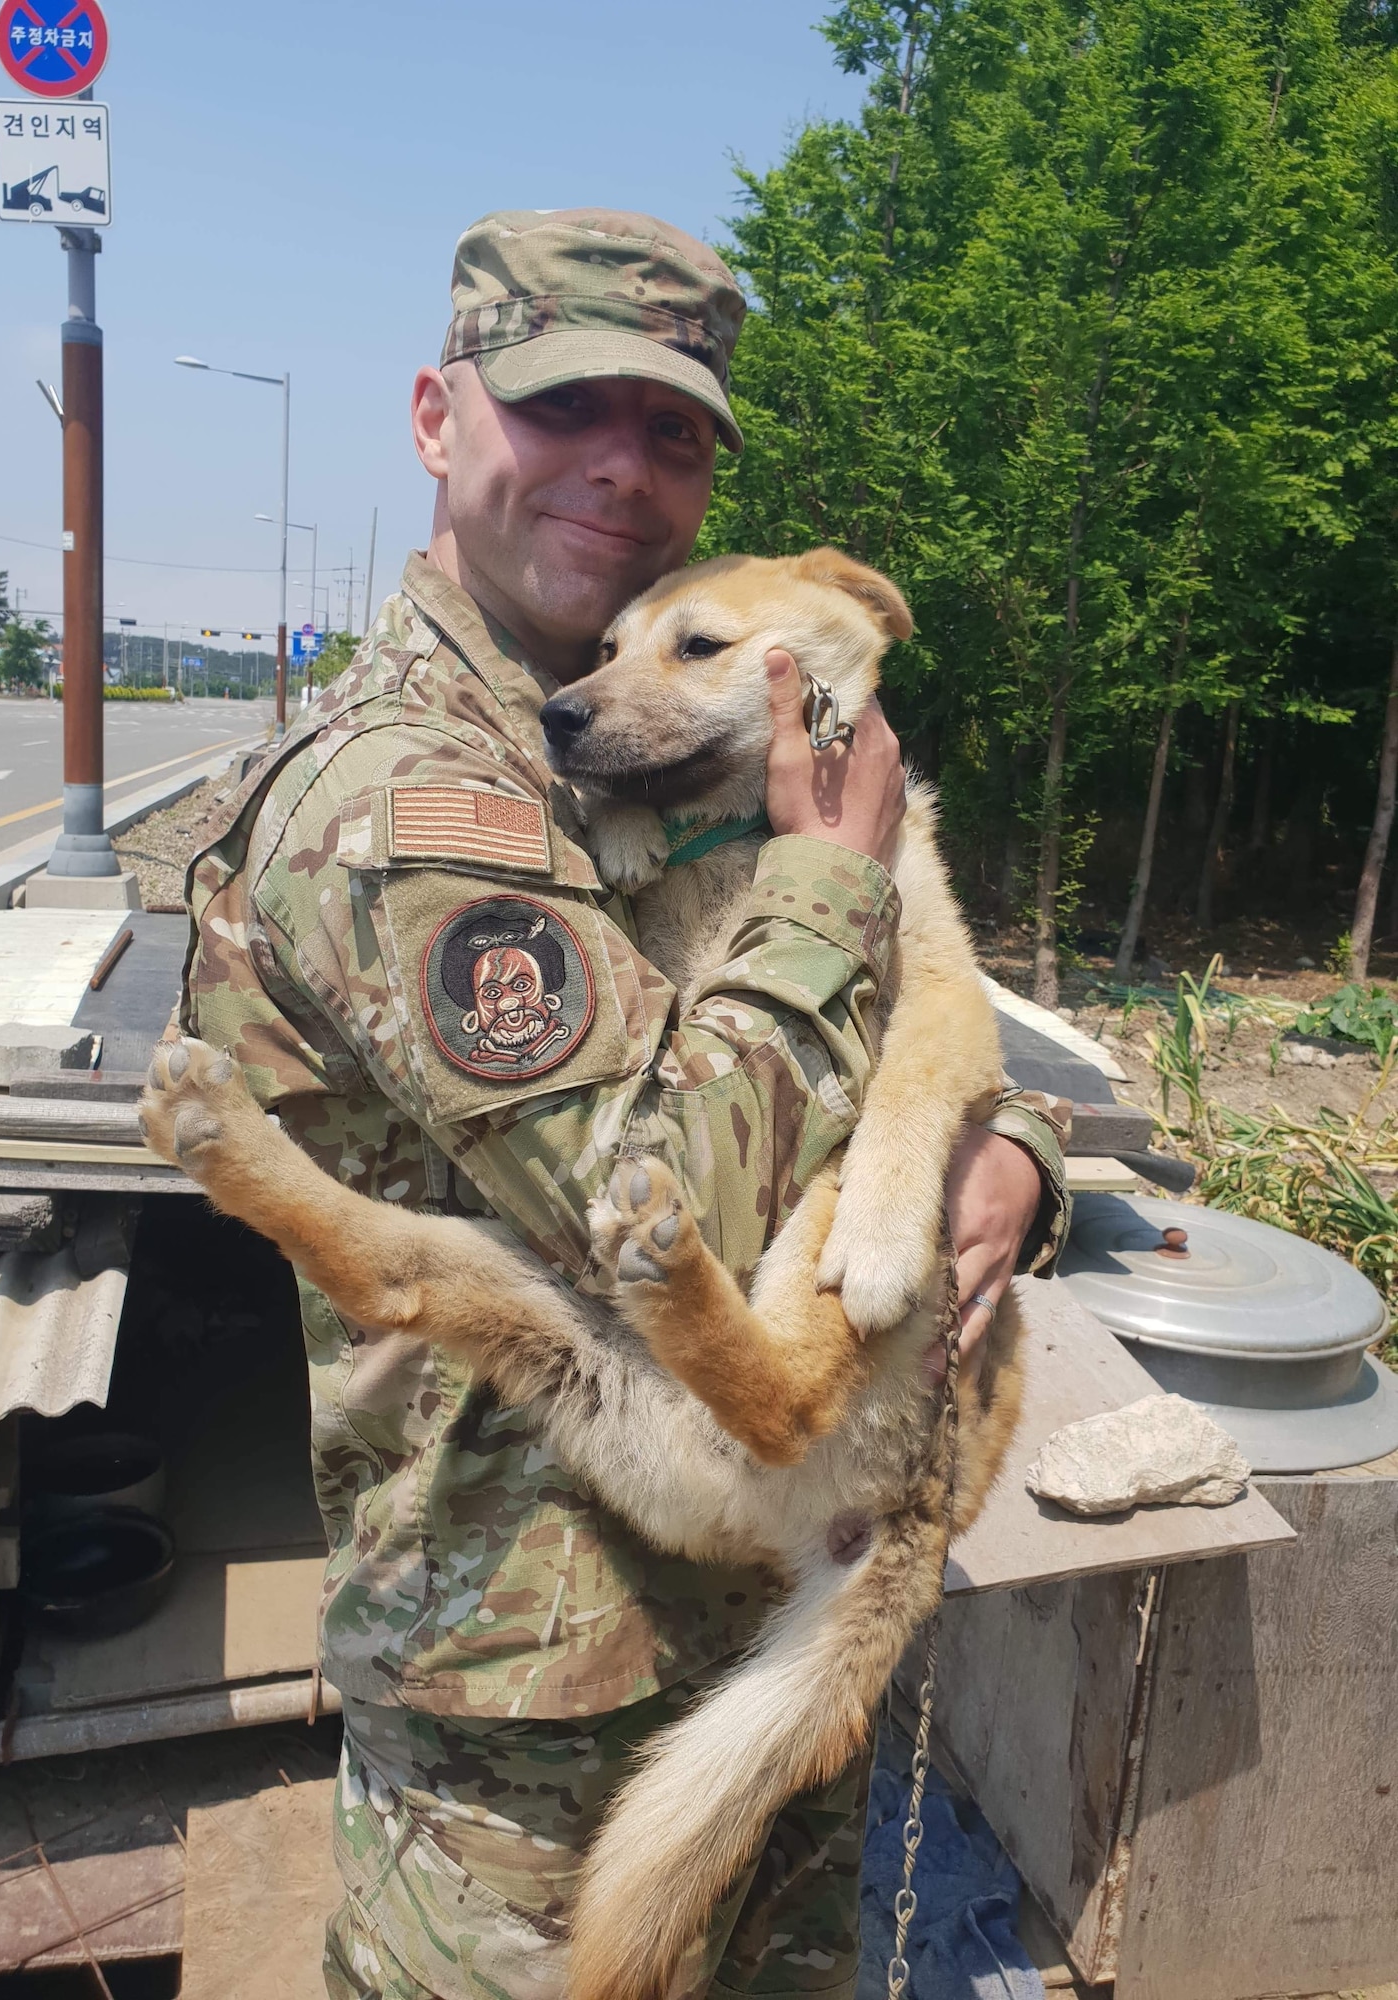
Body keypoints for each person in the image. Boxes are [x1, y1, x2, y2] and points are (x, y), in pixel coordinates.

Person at [178, 208, 1069, 2000]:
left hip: (761, 1611)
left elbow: (910, 1038)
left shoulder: (601, 732)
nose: (626, 468)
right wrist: (836, 879)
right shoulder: (409, 793)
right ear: (439, 418)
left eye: (674, 432)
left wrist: (1011, 1151)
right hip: (540, 1711)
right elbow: (665, 1193)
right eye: (563, 404)